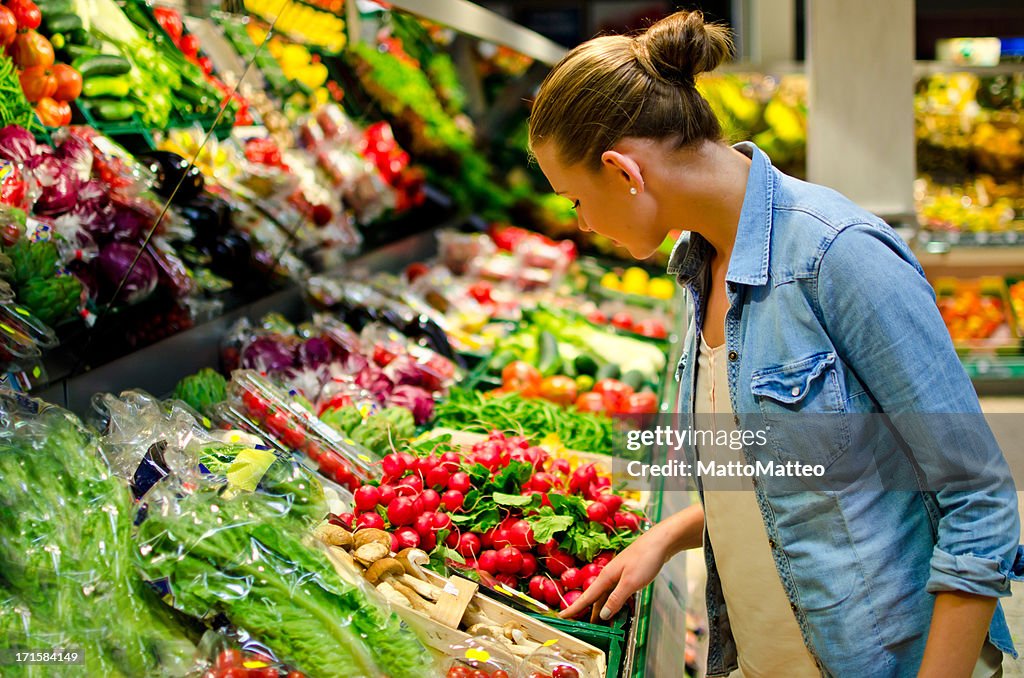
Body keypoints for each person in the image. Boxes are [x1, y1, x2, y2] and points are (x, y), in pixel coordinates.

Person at [529, 10, 1023, 678]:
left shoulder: (837, 256)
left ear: (623, 172)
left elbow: (980, 501)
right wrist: (672, 534)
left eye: (574, 200)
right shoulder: (699, 266)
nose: (581, 225)